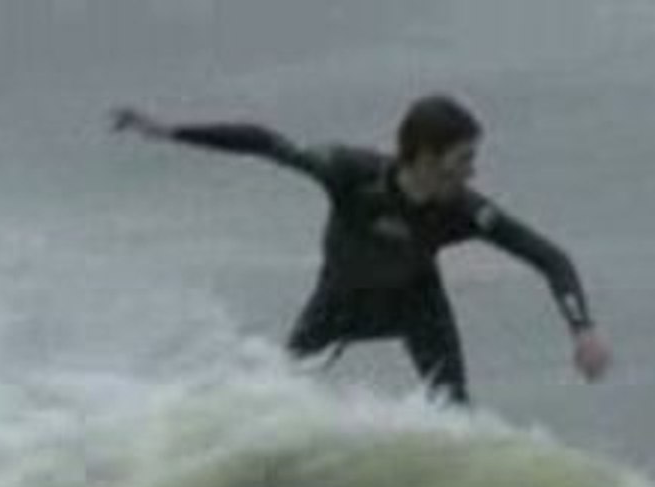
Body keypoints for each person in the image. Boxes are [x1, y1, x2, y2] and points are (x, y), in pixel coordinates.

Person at [111, 94, 611, 405]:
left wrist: (582, 329)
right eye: (463, 159)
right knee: (273, 396)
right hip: (339, 302)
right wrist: (170, 130)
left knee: (455, 414)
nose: (471, 172)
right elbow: (264, 142)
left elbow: (550, 258)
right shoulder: (350, 174)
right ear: (425, 157)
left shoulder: (463, 210)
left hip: (418, 307)